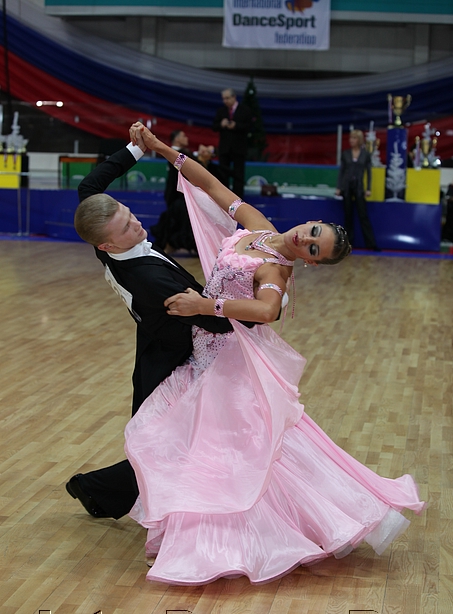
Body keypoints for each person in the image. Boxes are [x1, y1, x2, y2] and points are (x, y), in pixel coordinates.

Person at [124, 123, 425, 586]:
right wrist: (162, 149)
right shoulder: (260, 229)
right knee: (219, 446)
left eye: (314, 248)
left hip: (227, 362)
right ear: (311, 221)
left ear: (311, 261)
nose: (306, 239)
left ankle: (214, 541)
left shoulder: (275, 270)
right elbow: (212, 186)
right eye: (313, 232)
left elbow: (266, 311)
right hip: (205, 355)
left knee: (218, 449)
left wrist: (205, 306)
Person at [66, 131, 240, 520]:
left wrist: (137, 149)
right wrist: (261, 306)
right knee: (163, 438)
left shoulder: (99, 228)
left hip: (153, 339)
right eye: (127, 228)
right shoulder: (150, 280)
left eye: (130, 214)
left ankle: (99, 490)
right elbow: (217, 322)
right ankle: (97, 488)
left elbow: (89, 185)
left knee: (160, 437)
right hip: (170, 357)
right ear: (107, 246)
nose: (137, 224)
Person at [151, 129, 198, 254]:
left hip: (181, 194)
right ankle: (171, 244)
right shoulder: (175, 153)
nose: (186, 138)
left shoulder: (180, 153)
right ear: (176, 139)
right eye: (183, 136)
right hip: (177, 194)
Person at [336, 129, 380, 251]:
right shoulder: (345, 154)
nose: (351, 140)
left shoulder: (365, 155)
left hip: (359, 187)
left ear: (359, 140)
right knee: (348, 216)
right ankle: (347, 244)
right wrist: (339, 187)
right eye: (351, 138)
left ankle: (371, 243)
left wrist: (368, 188)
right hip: (347, 187)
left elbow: (369, 173)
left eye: (354, 138)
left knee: (363, 215)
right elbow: (341, 171)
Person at [212, 88, 253, 198]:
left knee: (238, 174)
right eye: (223, 99)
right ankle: (223, 197)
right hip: (224, 148)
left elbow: (249, 127)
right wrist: (221, 124)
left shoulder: (244, 110)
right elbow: (214, 127)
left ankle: (238, 199)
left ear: (234, 97)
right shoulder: (221, 111)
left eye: (227, 98)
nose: (225, 101)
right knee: (223, 173)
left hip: (238, 148)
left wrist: (236, 126)